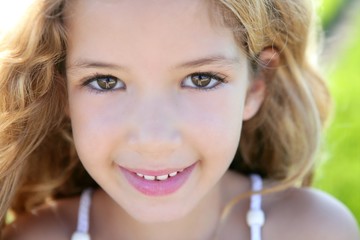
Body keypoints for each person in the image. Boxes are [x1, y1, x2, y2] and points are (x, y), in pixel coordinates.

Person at [0, 0, 359, 239]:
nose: (154, 138)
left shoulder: (315, 230)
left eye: (201, 79)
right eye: (105, 82)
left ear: (255, 88)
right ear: (62, 91)